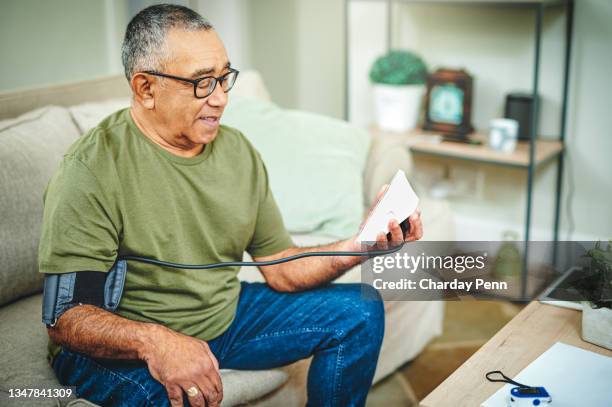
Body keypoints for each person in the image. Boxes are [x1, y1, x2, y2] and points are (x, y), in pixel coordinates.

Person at [38, 4, 423, 407]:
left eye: (224, 77)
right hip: (120, 348)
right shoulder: (90, 169)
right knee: (176, 398)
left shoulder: (238, 151)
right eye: (203, 83)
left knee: (358, 313)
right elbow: (67, 318)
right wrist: (157, 341)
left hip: (223, 317)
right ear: (145, 89)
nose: (220, 98)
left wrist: (360, 245)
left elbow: (282, 266)